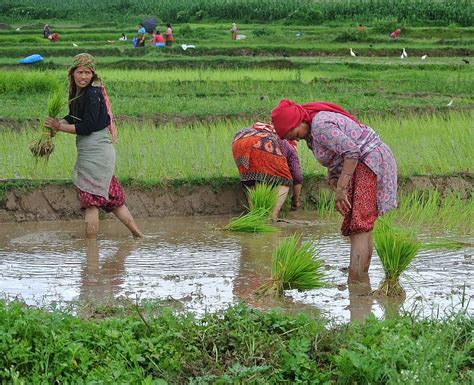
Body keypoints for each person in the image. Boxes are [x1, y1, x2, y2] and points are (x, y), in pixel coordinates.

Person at [271, 99, 397, 282]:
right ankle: (361, 281)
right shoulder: (311, 134)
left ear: (300, 121)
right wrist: (332, 177)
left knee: (359, 225)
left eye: (293, 132)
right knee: (361, 225)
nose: (295, 138)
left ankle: (356, 283)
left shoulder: (321, 125)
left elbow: (352, 152)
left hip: (369, 162)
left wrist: (341, 189)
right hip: (361, 165)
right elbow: (336, 155)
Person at [44, 53, 143, 240]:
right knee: (114, 201)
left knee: (91, 203)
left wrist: (59, 127)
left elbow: (87, 127)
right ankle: (138, 236)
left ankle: (91, 249)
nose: (83, 76)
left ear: (93, 75)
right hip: (96, 154)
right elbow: (74, 117)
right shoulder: (77, 93)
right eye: (80, 72)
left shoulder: (92, 94)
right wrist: (58, 122)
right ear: (72, 73)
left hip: (96, 153)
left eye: (87, 73)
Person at [232, 121, 303, 220]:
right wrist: (295, 201)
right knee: (284, 179)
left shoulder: (272, 130)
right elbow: (297, 177)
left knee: (251, 177)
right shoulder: (290, 147)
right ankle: (272, 217)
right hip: (264, 142)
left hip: (239, 141)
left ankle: (255, 217)